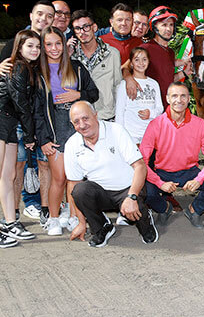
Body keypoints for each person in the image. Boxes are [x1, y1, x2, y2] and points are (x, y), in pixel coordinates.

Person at [34, 27, 99, 236]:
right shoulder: (38, 73)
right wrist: (44, 139)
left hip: (77, 126)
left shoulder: (76, 67)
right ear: (43, 47)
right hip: (55, 128)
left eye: (58, 43)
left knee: (75, 178)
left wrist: (78, 94)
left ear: (64, 45)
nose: (54, 48)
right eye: (49, 44)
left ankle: (73, 217)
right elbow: (37, 111)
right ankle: (53, 219)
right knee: (59, 178)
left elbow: (94, 93)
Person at [0, 29, 40, 247]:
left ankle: (10, 223)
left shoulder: (28, 69)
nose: (35, 50)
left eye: (37, 46)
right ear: (19, 48)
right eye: (30, 46)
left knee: (8, 176)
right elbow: (21, 103)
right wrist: (30, 135)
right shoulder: (18, 66)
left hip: (10, 124)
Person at [65, 101, 158, 247]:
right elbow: (73, 184)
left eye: (85, 118)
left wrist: (132, 197)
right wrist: (81, 223)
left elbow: (140, 166)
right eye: (76, 122)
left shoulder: (116, 131)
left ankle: (146, 220)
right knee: (80, 191)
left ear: (95, 115)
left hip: (128, 189)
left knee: (140, 217)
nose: (82, 125)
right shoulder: (72, 144)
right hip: (101, 193)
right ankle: (102, 227)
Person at [0, 0, 54, 225]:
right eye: (40, 14)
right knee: (18, 166)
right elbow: (0, 78)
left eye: (49, 16)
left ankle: (43, 208)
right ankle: (14, 212)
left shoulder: (49, 46)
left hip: (39, 117)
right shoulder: (15, 44)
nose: (43, 19)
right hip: (18, 119)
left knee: (42, 163)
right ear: (31, 15)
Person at [140, 82, 204, 229]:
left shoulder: (199, 123)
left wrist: (199, 179)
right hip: (163, 172)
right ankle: (164, 209)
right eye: (174, 96)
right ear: (167, 99)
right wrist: (159, 183)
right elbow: (142, 160)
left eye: (183, 96)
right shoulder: (155, 124)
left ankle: (194, 210)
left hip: (189, 172)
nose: (179, 100)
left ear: (189, 99)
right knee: (144, 190)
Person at [125, 6, 189, 108]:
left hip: (165, 107)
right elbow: (125, 68)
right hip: (148, 107)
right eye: (164, 25)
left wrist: (185, 72)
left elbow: (168, 80)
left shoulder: (170, 52)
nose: (168, 29)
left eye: (171, 25)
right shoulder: (145, 48)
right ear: (155, 27)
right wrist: (129, 79)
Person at [70, 10, 122, 122]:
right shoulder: (71, 56)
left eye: (86, 27)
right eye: (77, 28)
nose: (82, 32)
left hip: (106, 116)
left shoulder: (112, 53)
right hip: (80, 119)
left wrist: (119, 117)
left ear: (94, 27)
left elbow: (118, 87)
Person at [115, 47, 164, 144]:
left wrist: (151, 113)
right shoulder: (124, 84)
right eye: (137, 60)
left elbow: (160, 108)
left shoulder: (154, 84)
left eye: (144, 59)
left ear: (148, 61)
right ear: (131, 63)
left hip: (150, 134)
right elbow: (119, 112)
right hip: (130, 135)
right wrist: (120, 136)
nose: (141, 63)